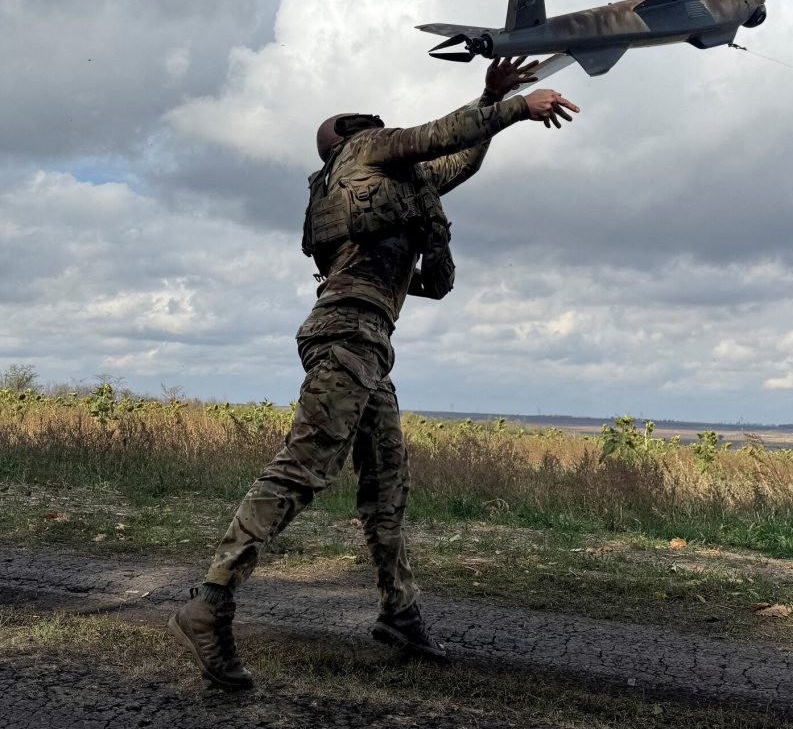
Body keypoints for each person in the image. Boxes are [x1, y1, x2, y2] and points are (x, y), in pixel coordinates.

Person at [167, 57, 579, 688]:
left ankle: (398, 612)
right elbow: (439, 136)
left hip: (367, 345)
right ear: (344, 144)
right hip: (346, 336)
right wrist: (518, 106)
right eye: (355, 124)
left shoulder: (394, 185)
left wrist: (490, 102)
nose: (369, 122)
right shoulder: (365, 152)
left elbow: (457, 157)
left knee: (386, 486)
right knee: (304, 468)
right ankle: (210, 601)